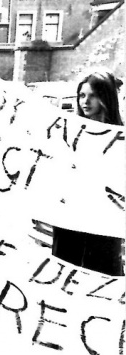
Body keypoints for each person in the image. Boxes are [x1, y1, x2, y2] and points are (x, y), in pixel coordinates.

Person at [50, 69, 124, 277]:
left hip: (104, 221)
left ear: (106, 97)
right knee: (64, 273)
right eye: (82, 95)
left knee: (102, 274)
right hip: (69, 219)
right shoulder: (68, 133)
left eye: (93, 95)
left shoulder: (121, 139)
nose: (86, 101)